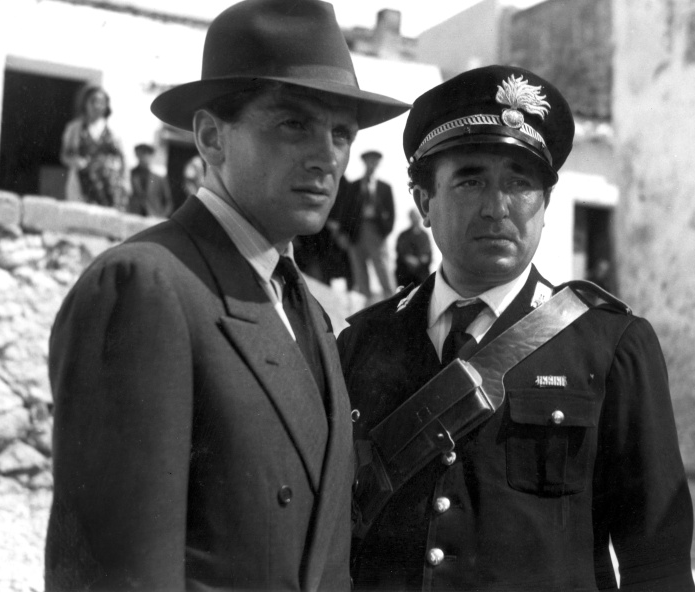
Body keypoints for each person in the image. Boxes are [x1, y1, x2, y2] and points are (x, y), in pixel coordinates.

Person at [44, 1, 409, 590]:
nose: (327, 157)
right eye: (294, 124)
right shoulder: (147, 287)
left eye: (341, 133)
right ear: (212, 138)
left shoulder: (304, 308)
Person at [338, 65, 695, 591]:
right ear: (423, 203)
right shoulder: (362, 343)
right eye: (471, 181)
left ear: (545, 205)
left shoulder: (610, 346)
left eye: (520, 183)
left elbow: (657, 563)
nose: (497, 207)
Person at [339, 150, 395, 301]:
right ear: (364, 162)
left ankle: (392, 301)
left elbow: (391, 214)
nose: (372, 164)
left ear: (378, 164)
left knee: (382, 268)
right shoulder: (354, 186)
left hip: (376, 231)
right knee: (359, 269)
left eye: (375, 161)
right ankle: (366, 304)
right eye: (369, 160)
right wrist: (344, 233)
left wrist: (384, 232)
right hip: (356, 232)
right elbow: (345, 210)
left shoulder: (384, 187)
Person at [60, 85, 126, 207]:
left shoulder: (113, 130)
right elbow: (65, 155)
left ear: (106, 105)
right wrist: (76, 162)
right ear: (85, 103)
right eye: (93, 101)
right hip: (81, 181)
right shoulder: (74, 128)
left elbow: (123, 158)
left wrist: (124, 181)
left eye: (101, 102)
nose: (97, 106)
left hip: (108, 186)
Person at [128, 143, 173, 217]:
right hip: (134, 216)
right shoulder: (131, 174)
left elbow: (168, 202)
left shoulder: (159, 178)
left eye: (147, 154)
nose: (144, 157)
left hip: (153, 217)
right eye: (141, 154)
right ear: (137, 155)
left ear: (151, 156)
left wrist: (161, 217)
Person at [394, 208, 432, 288]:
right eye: (413, 217)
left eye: (416, 216)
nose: (415, 219)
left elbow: (427, 255)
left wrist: (420, 260)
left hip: (421, 272)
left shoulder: (424, 236)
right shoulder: (403, 235)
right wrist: (410, 260)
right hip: (406, 273)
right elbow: (401, 252)